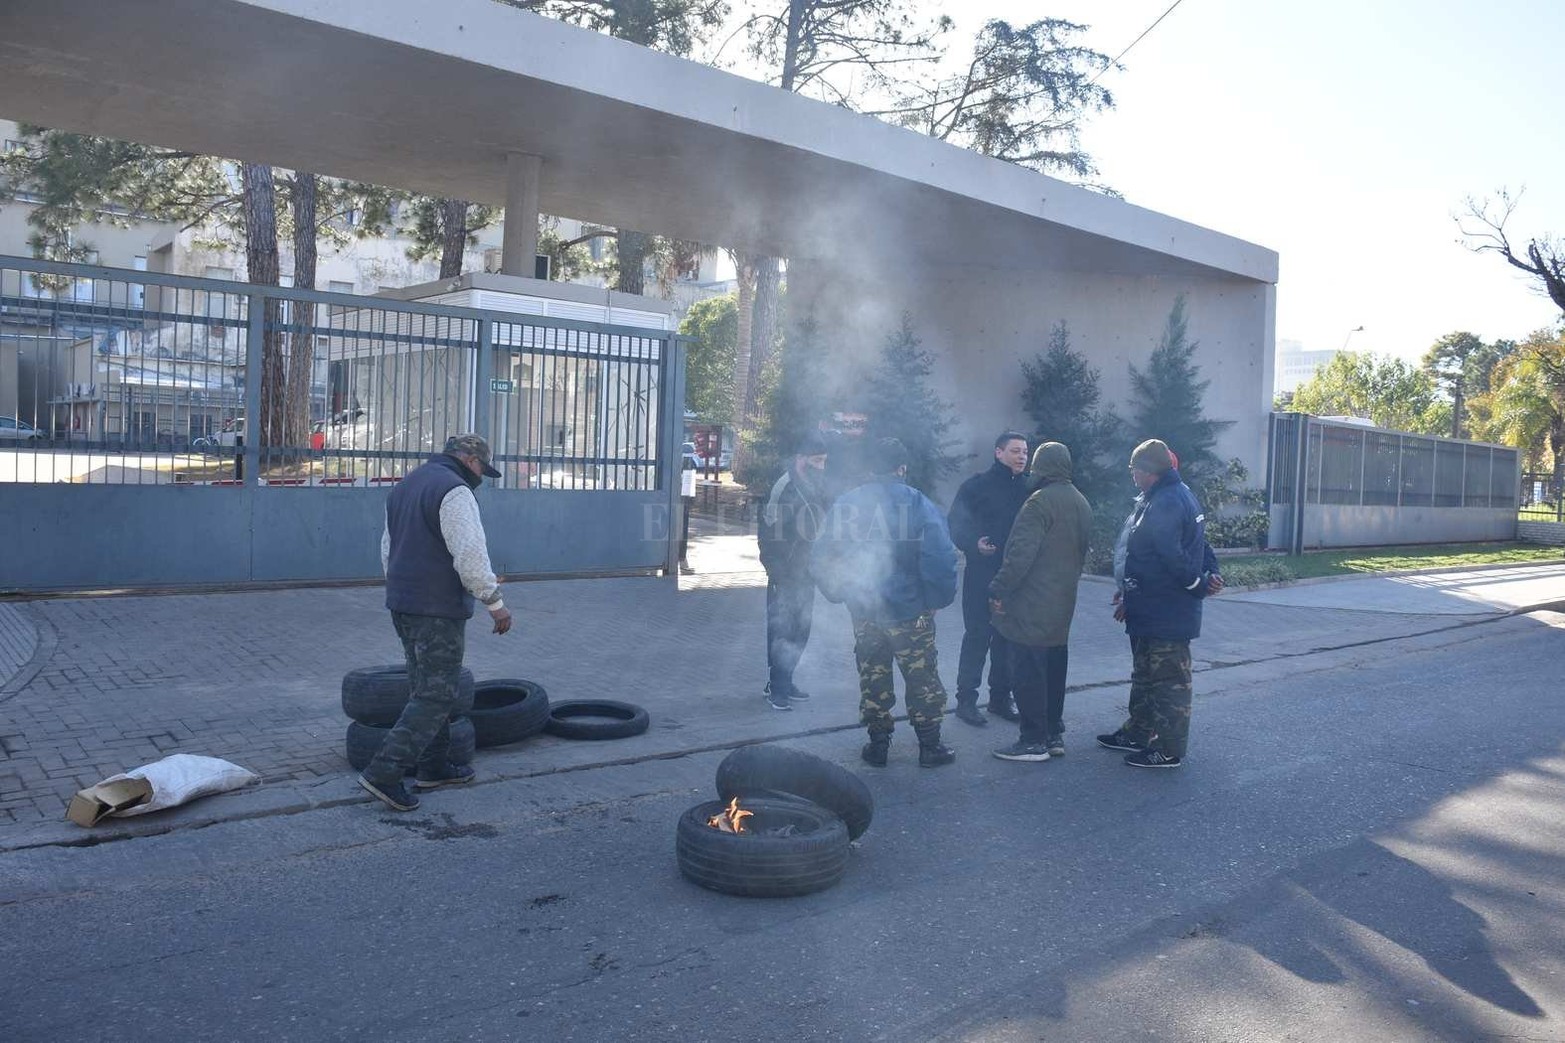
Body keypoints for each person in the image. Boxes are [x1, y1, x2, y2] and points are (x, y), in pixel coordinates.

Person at [360, 433, 513, 811]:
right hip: (437, 609)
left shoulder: (406, 486)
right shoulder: (455, 490)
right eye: (481, 468)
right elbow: (469, 551)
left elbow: (387, 548)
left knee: (425, 687)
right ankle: (384, 772)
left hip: (404, 603)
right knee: (437, 693)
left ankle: (434, 766)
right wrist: (494, 602)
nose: (481, 476)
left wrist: (402, 587)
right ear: (470, 460)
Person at [812, 437, 959, 767]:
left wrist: (841, 592)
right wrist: (936, 600)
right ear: (902, 468)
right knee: (922, 678)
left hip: (865, 612)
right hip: (912, 613)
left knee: (873, 676)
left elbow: (822, 556)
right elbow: (939, 556)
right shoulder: (920, 504)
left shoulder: (848, 504)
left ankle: (878, 746)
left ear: (868, 468)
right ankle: (930, 747)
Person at [1096, 439, 1223, 769]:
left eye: (1134, 470)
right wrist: (1130, 594)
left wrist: (1197, 584)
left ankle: (1168, 750)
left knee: (1169, 682)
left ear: (1148, 471)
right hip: (1149, 608)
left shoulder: (1168, 500)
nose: (1132, 476)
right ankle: (1138, 732)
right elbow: (1157, 552)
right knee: (1145, 676)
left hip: (1168, 610)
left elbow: (1173, 555)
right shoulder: (1161, 497)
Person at [987, 442, 1093, 762]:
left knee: (1028, 672)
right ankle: (1053, 733)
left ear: (1041, 467)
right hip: (1063, 601)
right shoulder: (1081, 502)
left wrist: (998, 588)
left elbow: (1020, 555)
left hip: (1032, 603)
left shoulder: (1038, 503)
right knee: (1054, 669)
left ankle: (1032, 740)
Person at [946, 431, 1032, 726]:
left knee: (1006, 639)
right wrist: (973, 544)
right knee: (978, 636)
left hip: (1015, 577)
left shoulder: (1030, 490)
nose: (1022, 456)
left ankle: (999, 699)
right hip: (981, 574)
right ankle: (966, 700)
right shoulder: (976, 487)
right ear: (998, 453)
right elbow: (954, 523)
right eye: (1015, 451)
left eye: (1025, 451)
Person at [757, 432, 829, 711]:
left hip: (806, 573)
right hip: (784, 574)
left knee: (801, 630)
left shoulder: (813, 484)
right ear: (801, 460)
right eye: (817, 460)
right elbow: (767, 533)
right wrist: (776, 571)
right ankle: (777, 688)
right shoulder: (783, 486)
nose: (822, 466)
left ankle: (784, 680)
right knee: (782, 630)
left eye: (824, 461)